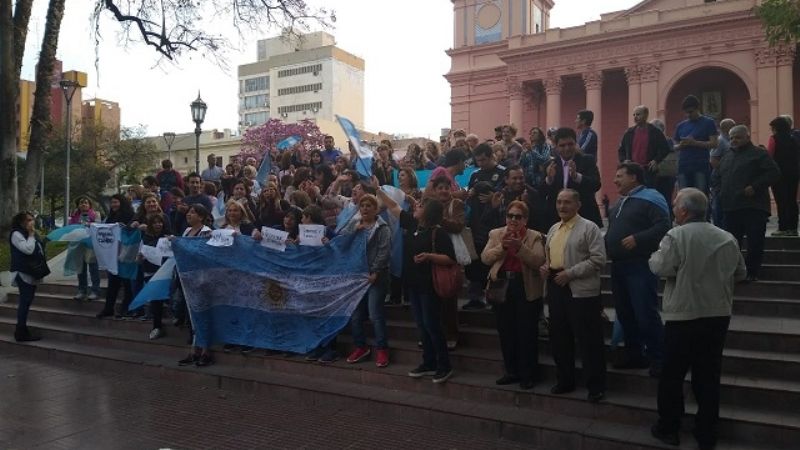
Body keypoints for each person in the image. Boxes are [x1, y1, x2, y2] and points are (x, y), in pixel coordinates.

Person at [649, 188, 746, 449]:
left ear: (683, 210)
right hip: (717, 315)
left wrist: (655, 255)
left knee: (672, 374)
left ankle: (669, 427)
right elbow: (740, 272)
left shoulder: (676, 235)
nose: (673, 209)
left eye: (675, 206)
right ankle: (706, 433)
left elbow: (660, 266)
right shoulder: (726, 237)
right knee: (708, 375)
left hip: (683, 314)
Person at [379, 190, 456, 384]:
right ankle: (428, 362)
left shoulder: (438, 233)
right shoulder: (413, 224)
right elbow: (393, 206)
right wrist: (378, 189)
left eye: (420, 205)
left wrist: (429, 256)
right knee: (422, 326)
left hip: (428, 286)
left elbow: (450, 259)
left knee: (432, 325)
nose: (416, 206)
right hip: (412, 284)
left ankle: (444, 365)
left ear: (429, 212)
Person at [540, 189, 607, 403]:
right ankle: (565, 380)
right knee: (559, 337)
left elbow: (598, 259)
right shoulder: (553, 228)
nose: (562, 206)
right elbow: (551, 256)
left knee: (589, 340)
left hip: (581, 290)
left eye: (567, 202)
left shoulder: (589, 227)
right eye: (559, 202)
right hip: (556, 287)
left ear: (578, 205)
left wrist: (570, 273)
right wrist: (546, 266)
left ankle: (595, 386)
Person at [605, 163, 670, 376]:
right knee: (626, 313)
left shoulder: (652, 197)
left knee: (645, 313)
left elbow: (664, 226)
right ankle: (635, 355)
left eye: (619, 176)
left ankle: (659, 358)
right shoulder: (621, 202)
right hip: (618, 265)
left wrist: (638, 238)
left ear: (634, 177)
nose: (615, 180)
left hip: (640, 264)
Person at [481, 200, 545, 390]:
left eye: (518, 217)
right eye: (510, 216)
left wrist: (519, 248)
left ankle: (528, 374)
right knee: (506, 331)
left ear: (525, 220)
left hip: (525, 286)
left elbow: (538, 261)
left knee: (526, 332)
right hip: (502, 285)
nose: (513, 220)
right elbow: (485, 258)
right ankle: (511, 371)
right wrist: (502, 246)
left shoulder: (535, 236)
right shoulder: (496, 234)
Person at [712, 125, 780, 281]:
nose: (734, 140)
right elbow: (716, 176)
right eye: (731, 138)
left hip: (753, 206)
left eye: (738, 137)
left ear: (747, 137)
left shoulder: (759, 154)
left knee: (755, 241)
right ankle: (733, 271)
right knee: (730, 242)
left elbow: (774, 173)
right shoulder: (727, 156)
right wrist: (719, 192)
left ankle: (752, 272)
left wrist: (755, 186)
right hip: (731, 207)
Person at [341, 194, 392, 368]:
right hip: (358, 277)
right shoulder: (355, 224)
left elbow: (384, 251)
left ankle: (382, 348)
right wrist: (354, 231)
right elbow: (342, 242)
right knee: (355, 315)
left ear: (375, 209)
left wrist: (375, 271)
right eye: (362, 205)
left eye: (369, 205)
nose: (365, 208)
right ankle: (360, 346)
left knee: (375, 313)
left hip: (376, 277)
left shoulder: (382, 228)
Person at [463, 143, 507, 310]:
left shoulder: (502, 172)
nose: (480, 163)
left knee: (494, 261)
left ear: (491, 156)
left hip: (495, 224)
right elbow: (469, 194)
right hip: (476, 224)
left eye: (483, 160)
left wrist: (493, 197)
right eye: (478, 161)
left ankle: (494, 298)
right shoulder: (475, 174)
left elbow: (505, 191)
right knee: (474, 262)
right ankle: (475, 298)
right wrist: (471, 193)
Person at [176, 204, 215, 367]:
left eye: (192, 212)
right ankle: (195, 349)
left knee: (203, 313)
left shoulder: (206, 231)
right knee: (193, 316)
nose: (188, 215)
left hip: (202, 277)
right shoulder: (186, 231)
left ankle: (206, 350)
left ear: (201, 216)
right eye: (188, 212)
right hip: (188, 277)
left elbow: (206, 253)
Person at [541, 127, 603, 229]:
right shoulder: (549, 165)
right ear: (556, 146)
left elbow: (596, 184)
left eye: (570, 144)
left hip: (584, 217)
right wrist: (549, 180)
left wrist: (576, 176)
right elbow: (541, 192)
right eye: (562, 145)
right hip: (556, 220)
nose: (567, 148)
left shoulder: (587, 160)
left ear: (575, 143)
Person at [9, 211, 48, 342]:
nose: (32, 222)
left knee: (27, 301)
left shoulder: (29, 233)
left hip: (32, 272)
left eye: (32, 219)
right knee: (25, 302)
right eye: (29, 220)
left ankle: (22, 329)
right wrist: (31, 235)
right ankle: (20, 331)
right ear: (21, 222)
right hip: (23, 272)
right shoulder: (16, 234)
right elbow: (28, 249)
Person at [96, 194, 136, 319]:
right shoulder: (110, 217)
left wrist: (125, 227)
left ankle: (126, 308)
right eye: (112, 202)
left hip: (126, 254)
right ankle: (108, 308)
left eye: (116, 202)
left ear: (122, 203)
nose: (113, 205)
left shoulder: (130, 215)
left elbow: (132, 231)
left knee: (127, 284)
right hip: (113, 255)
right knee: (113, 284)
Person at [673, 95, 718, 194]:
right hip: (683, 166)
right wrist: (681, 145)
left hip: (700, 166)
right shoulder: (680, 126)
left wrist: (695, 143)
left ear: (698, 108)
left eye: (691, 112)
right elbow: (674, 146)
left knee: (700, 195)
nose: (688, 115)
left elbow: (714, 143)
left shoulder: (709, 123)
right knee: (684, 196)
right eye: (686, 112)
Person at [617, 105, 671, 187]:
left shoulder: (655, 132)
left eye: (638, 114)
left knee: (648, 191)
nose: (635, 117)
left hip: (648, 171)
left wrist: (656, 160)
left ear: (646, 115)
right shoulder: (629, 133)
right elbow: (621, 150)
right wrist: (624, 161)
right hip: (632, 171)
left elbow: (665, 148)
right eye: (634, 115)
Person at [139, 213, 170, 340]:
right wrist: (140, 257)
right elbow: (139, 257)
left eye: (160, 222)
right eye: (155, 222)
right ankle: (157, 326)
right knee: (155, 300)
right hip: (150, 272)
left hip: (165, 272)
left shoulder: (167, 237)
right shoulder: (145, 238)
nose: (158, 225)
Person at [768, 116, 799, 236]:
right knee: (792, 200)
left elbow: (770, 156)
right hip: (793, 173)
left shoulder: (773, 139)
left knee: (781, 201)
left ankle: (783, 227)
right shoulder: (794, 139)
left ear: (776, 128)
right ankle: (793, 228)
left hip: (779, 174)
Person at [68, 196, 101, 301]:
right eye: (81, 203)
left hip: (91, 244)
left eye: (86, 203)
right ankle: (82, 290)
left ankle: (95, 290)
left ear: (90, 205)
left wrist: (88, 224)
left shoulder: (95, 214)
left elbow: (99, 226)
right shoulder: (74, 216)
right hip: (78, 244)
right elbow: (70, 228)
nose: (83, 204)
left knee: (93, 268)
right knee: (81, 269)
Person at [710, 118, 736, 227]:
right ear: (726, 128)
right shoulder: (721, 141)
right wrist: (724, 172)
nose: (734, 128)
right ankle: (718, 225)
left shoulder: (728, 140)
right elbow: (713, 159)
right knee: (718, 202)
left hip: (728, 176)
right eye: (733, 126)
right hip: (720, 177)